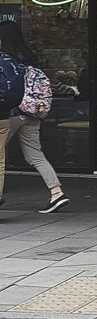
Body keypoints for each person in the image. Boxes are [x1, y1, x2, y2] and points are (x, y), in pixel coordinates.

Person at [0, 21, 69, 213]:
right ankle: (57, 192)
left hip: (12, 113)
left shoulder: (5, 60)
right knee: (35, 155)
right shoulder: (28, 56)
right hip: (33, 113)